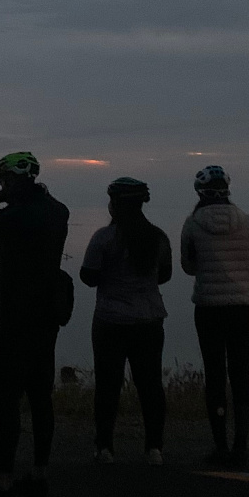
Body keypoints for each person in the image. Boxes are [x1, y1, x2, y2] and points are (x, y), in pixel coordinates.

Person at [0, 152, 69, 497]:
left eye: (3, 182)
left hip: (15, 318)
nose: (1, 187)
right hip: (47, 317)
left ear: (13, 181)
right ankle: (40, 472)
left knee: (6, 399)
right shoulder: (58, 211)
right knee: (41, 397)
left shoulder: (14, 216)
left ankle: (4, 479)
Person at [80, 177, 172, 466]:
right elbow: (165, 275)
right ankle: (154, 448)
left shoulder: (103, 238)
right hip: (149, 319)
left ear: (115, 204)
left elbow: (88, 276)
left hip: (111, 321)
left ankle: (104, 446)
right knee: (151, 384)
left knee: (108, 385)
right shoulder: (158, 237)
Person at [179, 165, 249, 467]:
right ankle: (241, 447)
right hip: (243, 307)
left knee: (215, 375)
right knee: (241, 374)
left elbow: (189, 267)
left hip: (208, 307)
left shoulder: (191, 225)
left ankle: (220, 446)